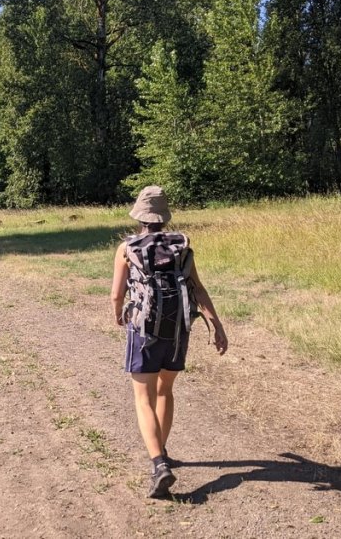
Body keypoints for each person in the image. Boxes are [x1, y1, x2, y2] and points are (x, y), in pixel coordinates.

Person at [110, 185, 228, 498]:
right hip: (178, 330)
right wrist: (217, 326)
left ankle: (159, 464)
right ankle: (161, 449)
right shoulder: (181, 247)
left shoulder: (127, 247)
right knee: (166, 390)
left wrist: (117, 313)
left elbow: (116, 294)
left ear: (139, 215)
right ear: (164, 217)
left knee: (143, 398)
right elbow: (198, 289)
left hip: (144, 331)